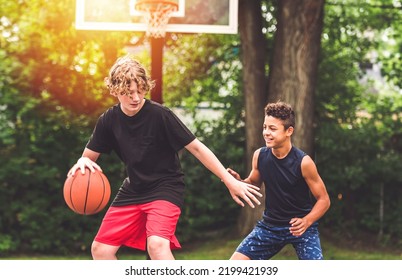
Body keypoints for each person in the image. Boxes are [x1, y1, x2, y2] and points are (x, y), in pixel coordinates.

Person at [67, 55, 262, 260]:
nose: (135, 97)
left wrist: (228, 180)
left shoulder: (160, 115)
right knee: (100, 250)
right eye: (128, 92)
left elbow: (197, 148)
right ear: (115, 91)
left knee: (157, 245)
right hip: (133, 189)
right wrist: (82, 160)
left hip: (165, 186)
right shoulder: (108, 120)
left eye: (140, 90)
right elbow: (88, 158)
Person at [228, 101, 330, 260]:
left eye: (272, 129)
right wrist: (239, 181)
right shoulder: (260, 156)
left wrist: (307, 221)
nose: (266, 133)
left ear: (289, 131)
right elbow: (253, 183)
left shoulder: (304, 162)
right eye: (264, 127)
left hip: (301, 229)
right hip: (270, 226)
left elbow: (324, 200)